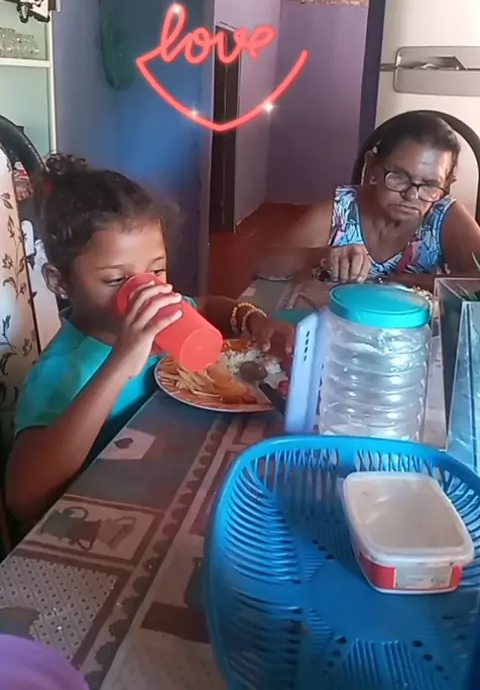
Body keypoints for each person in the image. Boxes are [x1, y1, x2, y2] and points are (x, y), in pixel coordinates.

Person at [6, 155, 293, 524]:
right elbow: (24, 498)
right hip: (112, 517)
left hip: (177, 476)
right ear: (59, 282)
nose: (146, 293)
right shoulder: (60, 372)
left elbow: (207, 306)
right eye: (116, 280)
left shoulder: (164, 319)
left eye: (156, 270)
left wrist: (252, 319)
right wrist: (120, 363)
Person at [258, 111, 480, 287]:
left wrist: (407, 282)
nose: (411, 195)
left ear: (446, 184)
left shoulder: (443, 217)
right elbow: (264, 264)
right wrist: (321, 256)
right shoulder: (344, 209)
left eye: (430, 184)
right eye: (398, 176)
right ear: (373, 166)